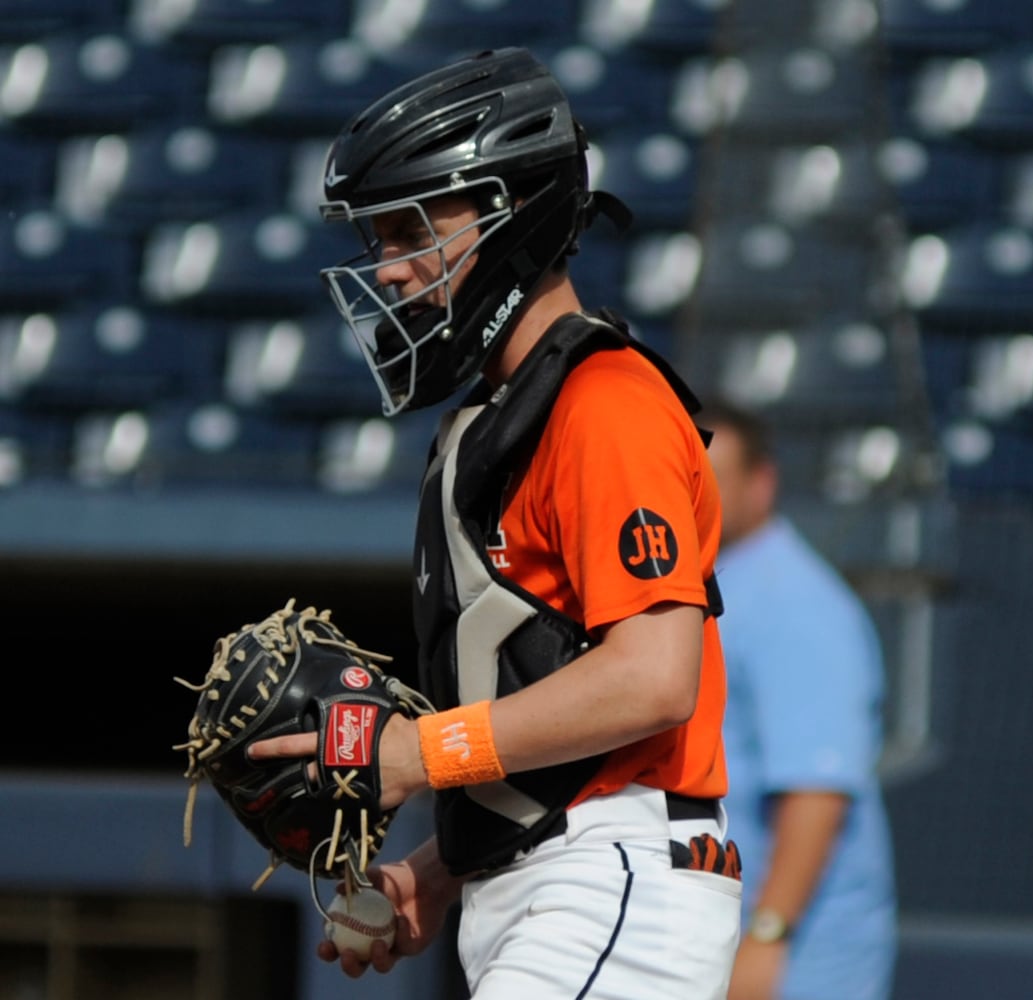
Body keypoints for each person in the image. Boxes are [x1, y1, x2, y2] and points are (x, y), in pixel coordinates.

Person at [248, 47, 742, 999]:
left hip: (618, 883)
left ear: (510, 213)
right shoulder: (506, 412)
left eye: (409, 232)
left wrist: (414, 753)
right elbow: (560, 699)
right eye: (378, 239)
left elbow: (651, 679)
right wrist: (439, 869)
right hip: (566, 884)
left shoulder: (604, 402)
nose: (388, 271)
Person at [699, 398, 898, 1000]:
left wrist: (767, 934)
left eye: (710, 480)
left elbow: (818, 791)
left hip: (798, 952)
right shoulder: (717, 583)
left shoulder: (797, 603)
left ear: (762, 483)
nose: (691, 496)